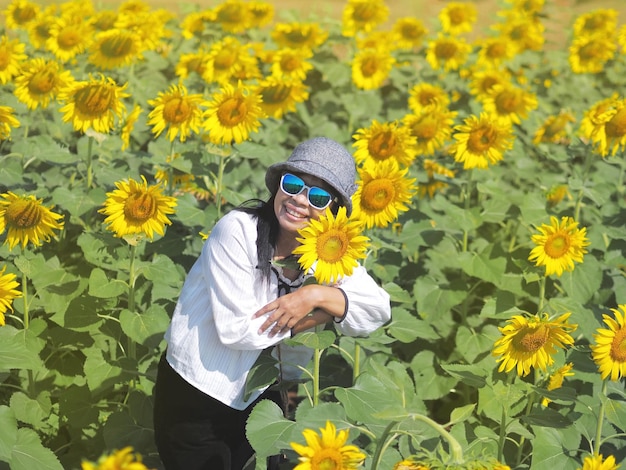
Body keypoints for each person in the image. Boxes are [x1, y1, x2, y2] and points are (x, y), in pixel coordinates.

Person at [153, 136, 391, 470]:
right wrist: (323, 316)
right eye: (293, 184)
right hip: (197, 396)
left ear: (334, 210)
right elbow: (238, 331)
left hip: (258, 392)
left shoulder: (329, 252)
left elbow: (378, 309)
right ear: (278, 185)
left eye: (319, 195)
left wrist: (312, 295)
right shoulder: (237, 231)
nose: (299, 200)